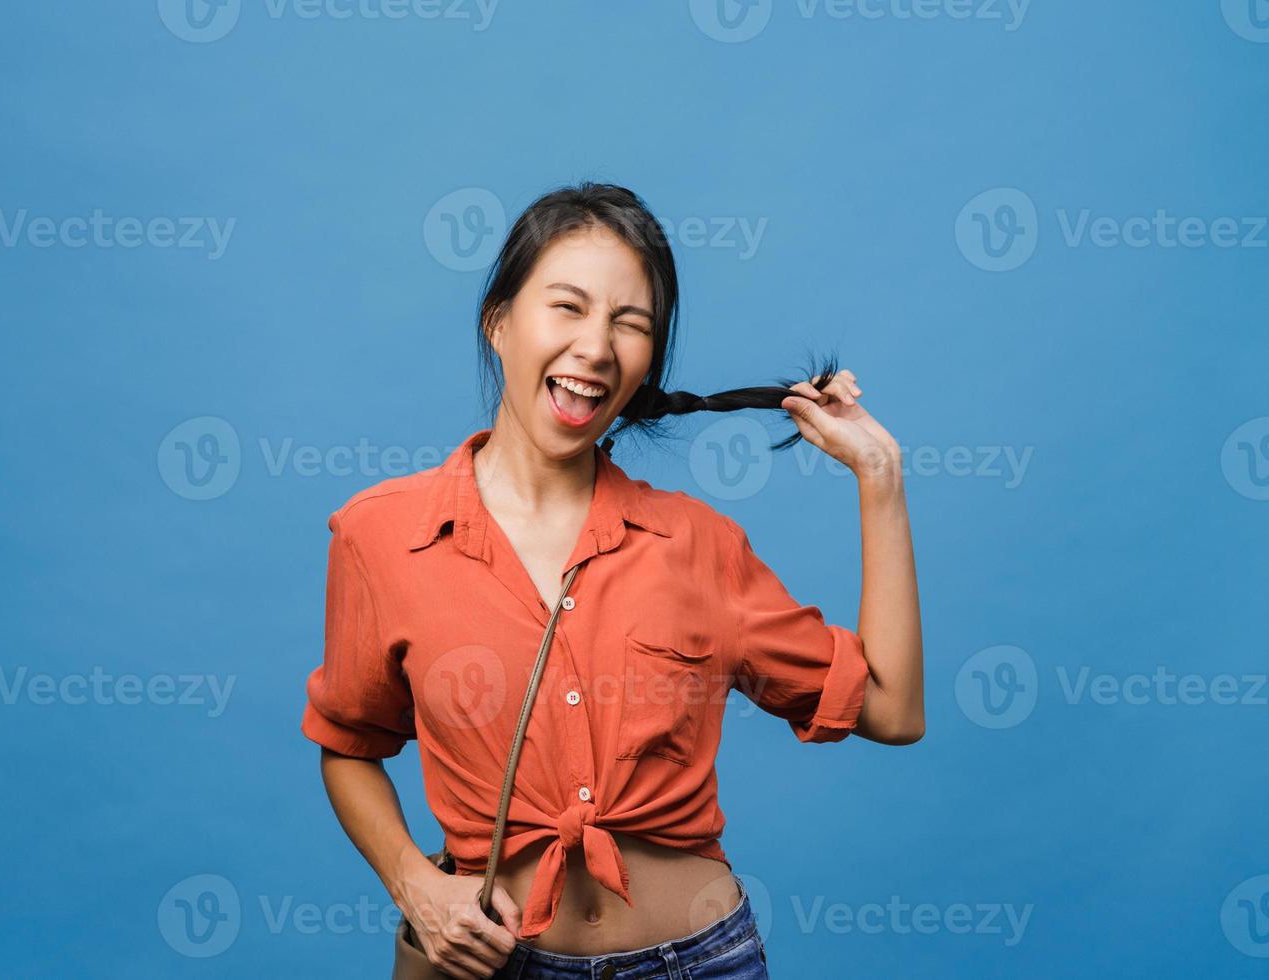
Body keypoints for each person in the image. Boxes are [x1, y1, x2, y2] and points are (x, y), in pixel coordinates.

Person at [301, 182, 925, 979]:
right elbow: (348, 744)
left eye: (630, 324)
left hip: (702, 960)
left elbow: (892, 709)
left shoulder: (697, 543)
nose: (596, 345)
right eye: (567, 306)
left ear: (643, 366)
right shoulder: (381, 534)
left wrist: (881, 476)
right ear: (499, 322)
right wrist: (414, 883)